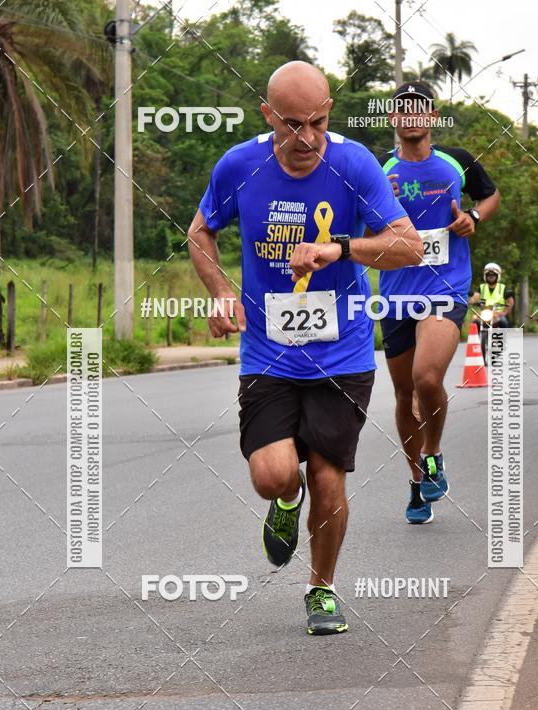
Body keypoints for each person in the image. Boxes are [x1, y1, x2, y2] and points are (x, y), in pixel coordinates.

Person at [188, 61, 422, 634]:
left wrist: (339, 249)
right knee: (272, 476)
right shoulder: (239, 165)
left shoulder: (354, 164)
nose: (307, 138)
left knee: (327, 475)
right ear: (268, 116)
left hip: (340, 351)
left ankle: (321, 589)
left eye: (318, 122)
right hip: (268, 350)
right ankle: (283, 504)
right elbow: (200, 231)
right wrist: (221, 293)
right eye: (292, 124)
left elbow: (409, 247)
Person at [378, 81, 500, 524]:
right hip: (395, 295)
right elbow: (355, 220)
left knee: (426, 378)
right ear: (394, 119)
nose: (411, 116)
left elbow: (489, 194)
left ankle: (433, 454)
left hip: (445, 287)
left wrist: (474, 217)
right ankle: (416, 482)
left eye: (420, 109)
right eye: (403, 110)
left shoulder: (456, 162)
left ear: (431, 117)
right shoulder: (379, 169)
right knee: (403, 392)